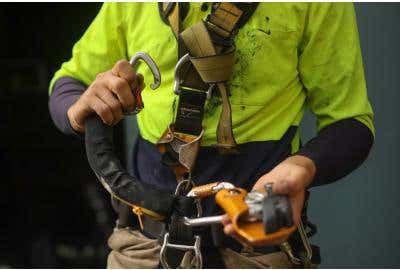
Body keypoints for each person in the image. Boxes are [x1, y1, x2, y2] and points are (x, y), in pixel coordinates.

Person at [48, 2, 374, 268]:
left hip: (260, 242)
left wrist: (299, 169)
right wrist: (79, 107)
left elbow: (352, 122)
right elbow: (69, 82)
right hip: (145, 246)